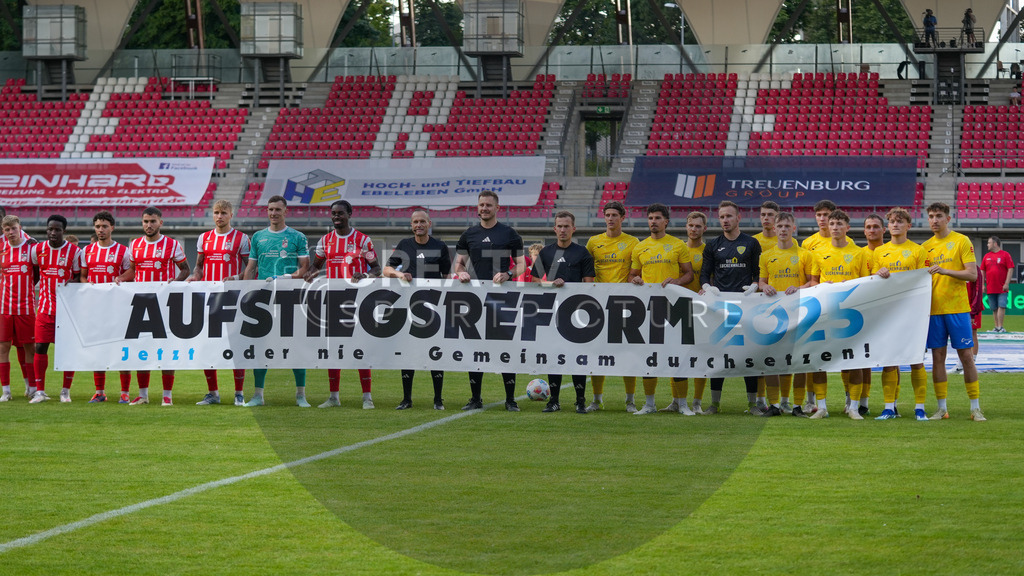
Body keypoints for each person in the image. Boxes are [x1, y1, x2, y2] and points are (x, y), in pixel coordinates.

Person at [452, 190, 527, 412]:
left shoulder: (510, 234)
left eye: (488, 205)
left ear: (497, 208)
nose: (484, 208)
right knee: (475, 348)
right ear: (478, 207)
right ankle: (475, 398)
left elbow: (522, 264)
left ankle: (510, 399)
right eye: (481, 205)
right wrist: (461, 273)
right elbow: (459, 264)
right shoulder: (469, 235)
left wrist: (509, 274)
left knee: (506, 347)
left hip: (503, 300)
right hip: (476, 300)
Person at [304, 200, 381, 410]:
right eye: (333, 213)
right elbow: (316, 265)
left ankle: (367, 397)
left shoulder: (363, 240)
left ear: (349, 214)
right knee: (333, 348)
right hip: (332, 301)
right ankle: (334, 397)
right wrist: (309, 273)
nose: (336, 216)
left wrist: (364, 274)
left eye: (340, 213)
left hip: (357, 301)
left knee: (359, 347)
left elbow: (377, 269)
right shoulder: (325, 241)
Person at [116, 207, 191, 406]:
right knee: (142, 349)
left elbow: (185, 270)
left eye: (153, 221)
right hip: (141, 304)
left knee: (165, 349)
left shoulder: (171, 244)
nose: (149, 225)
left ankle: (167, 394)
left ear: (161, 223)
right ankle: (143, 394)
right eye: (146, 221)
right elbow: (132, 271)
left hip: (164, 305)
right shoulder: (135, 244)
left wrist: (173, 283)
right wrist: (120, 278)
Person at [242, 195, 310, 407]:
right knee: (260, 345)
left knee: (295, 344)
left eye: (277, 210)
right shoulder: (259, 237)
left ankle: (300, 395)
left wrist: (286, 278)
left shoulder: (297, 237)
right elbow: (251, 268)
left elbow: (305, 268)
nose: (273, 213)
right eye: (270, 209)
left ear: (285, 211)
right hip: (263, 299)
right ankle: (258, 395)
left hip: (290, 297)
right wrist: (245, 291)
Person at [628, 203, 695, 415]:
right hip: (649, 308)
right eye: (650, 218)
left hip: (674, 307)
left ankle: (682, 404)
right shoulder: (639, 247)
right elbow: (632, 275)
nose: (653, 222)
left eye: (657, 218)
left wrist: (676, 281)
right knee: (649, 355)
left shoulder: (677, 245)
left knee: (677, 355)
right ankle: (649, 404)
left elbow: (689, 274)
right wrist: (635, 279)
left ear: (666, 221)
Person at [382, 209, 451, 410]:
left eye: (422, 221)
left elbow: (447, 277)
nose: (418, 225)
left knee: (435, 352)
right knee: (408, 352)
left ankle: (438, 399)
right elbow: (386, 269)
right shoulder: (404, 245)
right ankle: (406, 399)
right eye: (415, 222)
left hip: (433, 307)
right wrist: (399, 274)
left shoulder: (440, 246)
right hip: (409, 307)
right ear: (411, 225)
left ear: (430, 224)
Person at [922, 203, 984, 421]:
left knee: (966, 357)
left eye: (939, 216)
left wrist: (945, 271)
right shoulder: (925, 247)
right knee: (937, 358)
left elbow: (972, 275)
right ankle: (941, 409)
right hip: (935, 311)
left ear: (948, 219)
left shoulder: (961, 241)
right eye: (931, 216)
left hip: (958, 309)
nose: (934, 220)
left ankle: (975, 408)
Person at [699, 200, 761, 415]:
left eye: (728, 216)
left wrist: (754, 285)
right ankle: (714, 404)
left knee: (749, 354)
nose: (725, 220)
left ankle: (752, 404)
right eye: (722, 217)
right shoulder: (713, 245)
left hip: (747, 306)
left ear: (738, 218)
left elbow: (758, 272)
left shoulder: (751, 243)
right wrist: (708, 287)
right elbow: (704, 274)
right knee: (719, 354)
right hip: (720, 308)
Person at [188, 200, 251, 406]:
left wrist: (236, 278)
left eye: (223, 213)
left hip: (233, 300)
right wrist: (194, 277)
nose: (219, 216)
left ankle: (239, 393)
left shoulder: (241, 239)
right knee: (209, 346)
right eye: (216, 212)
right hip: (209, 300)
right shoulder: (204, 238)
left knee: (236, 346)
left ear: (231, 215)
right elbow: (199, 267)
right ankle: (213, 393)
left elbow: (250, 270)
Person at [532, 211, 595, 414]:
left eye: (566, 226)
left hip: (577, 313)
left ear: (573, 229)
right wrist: (551, 284)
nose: (562, 230)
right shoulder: (546, 252)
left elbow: (589, 285)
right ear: (554, 228)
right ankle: (554, 401)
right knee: (554, 356)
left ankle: (580, 401)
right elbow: (534, 281)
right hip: (552, 312)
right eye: (559, 226)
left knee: (577, 357)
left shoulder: (582, 253)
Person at [809, 209, 870, 420]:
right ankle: (822, 407)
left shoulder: (859, 253)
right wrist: (822, 286)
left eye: (839, 224)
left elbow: (866, 283)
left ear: (847, 227)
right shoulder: (817, 252)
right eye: (832, 223)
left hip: (851, 315)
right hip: (824, 312)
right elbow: (813, 282)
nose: (834, 227)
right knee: (819, 359)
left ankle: (853, 407)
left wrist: (850, 286)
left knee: (854, 361)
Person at [871, 207, 929, 421]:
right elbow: (873, 284)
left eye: (900, 221)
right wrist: (878, 274)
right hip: (888, 314)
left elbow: (925, 281)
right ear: (888, 227)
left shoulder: (918, 251)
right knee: (889, 360)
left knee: (916, 360)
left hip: (913, 313)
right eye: (892, 222)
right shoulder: (879, 252)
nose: (895, 225)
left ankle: (920, 408)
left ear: (908, 225)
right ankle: (889, 408)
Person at [757, 211, 817, 417]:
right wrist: (763, 287)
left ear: (793, 229)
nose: (783, 229)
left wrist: (799, 287)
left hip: (799, 313)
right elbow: (761, 281)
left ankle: (798, 405)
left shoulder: (805, 254)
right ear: (774, 229)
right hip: (773, 314)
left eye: (786, 226)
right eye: (779, 226)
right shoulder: (766, 256)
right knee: (772, 360)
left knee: (797, 361)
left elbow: (813, 282)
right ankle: (774, 405)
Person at [584, 201, 639, 412]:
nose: (610, 218)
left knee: (628, 352)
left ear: (622, 217)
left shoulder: (633, 242)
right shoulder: (593, 242)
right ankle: (597, 400)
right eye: (607, 214)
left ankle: (630, 400)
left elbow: (638, 271)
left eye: (615, 214)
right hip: (598, 305)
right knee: (597, 352)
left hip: (625, 305)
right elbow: (585, 269)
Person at [79, 211, 132, 403]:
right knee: (98, 350)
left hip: (117, 309)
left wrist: (120, 279)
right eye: (97, 226)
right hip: (96, 310)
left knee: (121, 350)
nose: (100, 230)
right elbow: (83, 275)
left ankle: (124, 392)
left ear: (112, 228)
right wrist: (87, 285)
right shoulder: (87, 251)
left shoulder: (123, 251)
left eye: (104, 226)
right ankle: (99, 391)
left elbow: (130, 273)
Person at [29, 215, 81, 403]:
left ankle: (65, 391)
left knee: (67, 350)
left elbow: (78, 277)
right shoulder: (37, 250)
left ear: (63, 231)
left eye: (57, 229)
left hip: (67, 310)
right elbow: (35, 274)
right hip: (44, 308)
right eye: (50, 229)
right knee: (40, 348)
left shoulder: (74, 252)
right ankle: (40, 392)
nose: (53, 232)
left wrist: (72, 282)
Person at [0, 215, 36, 402]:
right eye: (7, 229)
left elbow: (37, 273)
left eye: (13, 228)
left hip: (26, 307)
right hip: (5, 307)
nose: (10, 232)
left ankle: (30, 387)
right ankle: (6, 391)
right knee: (3, 347)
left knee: (29, 347)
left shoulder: (31, 247)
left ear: (19, 227)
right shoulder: (1, 248)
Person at [855, 213, 887, 417]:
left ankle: (891, 404)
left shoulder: (893, 252)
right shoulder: (858, 254)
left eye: (876, 226)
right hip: (864, 313)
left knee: (891, 360)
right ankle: (861, 402)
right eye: (869, 227)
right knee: (861, 359)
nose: (872, 230)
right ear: (864, 231)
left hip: (889, 312)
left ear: (884, 230)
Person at [682, 211, 710, 414]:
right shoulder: (676, 249)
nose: (694, 229)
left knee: (701, 356)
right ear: (686, 227)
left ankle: (697, 402)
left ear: (704, 229)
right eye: (691, 225)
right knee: (678, 356)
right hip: (679, 307)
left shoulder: (709, 251)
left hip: (702, 309)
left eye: (698, 226)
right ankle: (677, 401)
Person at [980, 236, 1013, 333]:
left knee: (1001, 306)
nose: (987, 245)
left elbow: (1011, 268)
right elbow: (982, 271)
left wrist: (1007, 283)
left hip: (1002, 286)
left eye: (989, 243)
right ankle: (996, 327)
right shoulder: (986, 256)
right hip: (990, 287)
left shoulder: (1005, 255)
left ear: (995, 243)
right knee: (994, 308)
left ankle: (1000, 327)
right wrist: (982, 285)